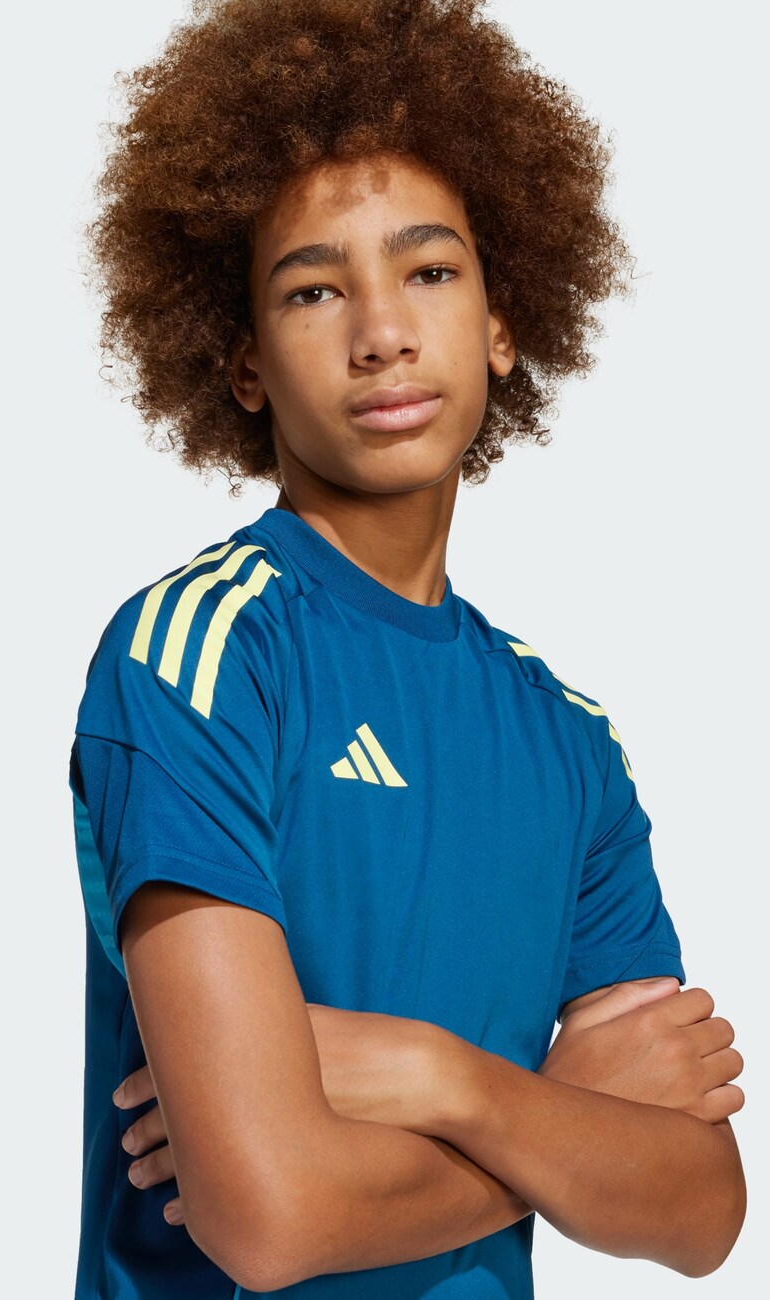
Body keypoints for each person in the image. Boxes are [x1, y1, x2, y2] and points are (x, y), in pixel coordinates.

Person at [69, 1, 747, 1296]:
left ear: (502, 321)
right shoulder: (199, 657)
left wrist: (452, 1081)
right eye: (314, 289)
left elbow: (701, 1210)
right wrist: (559, 1116)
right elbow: (271, 1219)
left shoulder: (567, 738)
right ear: (246, 363)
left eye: (429, 272)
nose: (381, 332)